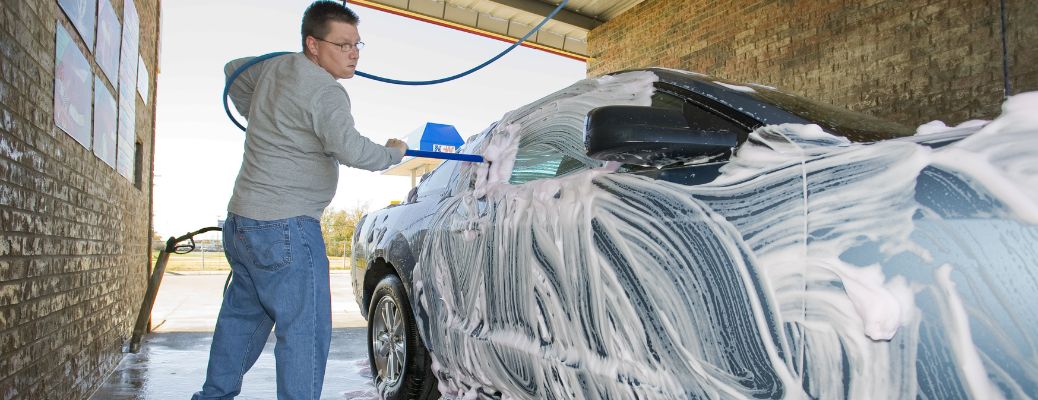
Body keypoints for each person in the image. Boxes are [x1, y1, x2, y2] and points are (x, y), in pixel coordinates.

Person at [192, 2, 407, 399]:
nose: (353, 53)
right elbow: (354, 150)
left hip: (242, 224)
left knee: (240, 320)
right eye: (342, 45)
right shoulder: (325, 89)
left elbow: (233, 72)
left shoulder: (275, 69)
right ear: (313, 44)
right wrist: (394, 152)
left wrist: (268, 119)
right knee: (304, 335)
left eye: (357, 44)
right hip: (287, 229)